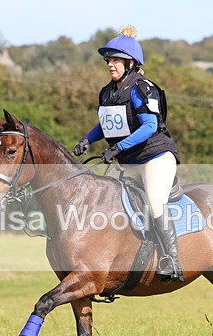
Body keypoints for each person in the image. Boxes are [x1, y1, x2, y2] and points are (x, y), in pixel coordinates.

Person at [73, 26, 183, 282]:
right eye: (108, 60)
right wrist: (87, 139)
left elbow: (150, 125)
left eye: (115, 60)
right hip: (131, 161)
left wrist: (118, 147)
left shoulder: (141, 88)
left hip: (155, 158)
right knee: (113, 204)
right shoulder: (107, 92)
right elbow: (108, 123)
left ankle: (172, 260)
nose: (110, 65)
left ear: (130, 62)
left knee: (155, 203)